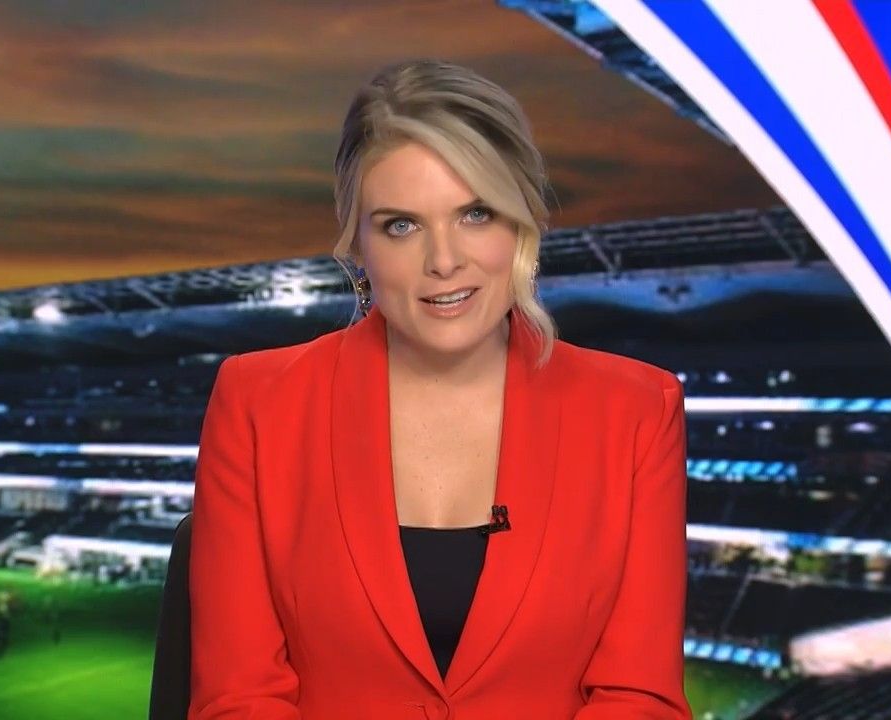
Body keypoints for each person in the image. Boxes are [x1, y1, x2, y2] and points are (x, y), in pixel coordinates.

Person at [188, 58, 690, 719]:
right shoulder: (256, 401)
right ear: (358, 245)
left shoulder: (638, 409)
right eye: (402, 225)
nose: (445, 260)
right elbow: (239, 698)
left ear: (521, 223)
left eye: (476, 213)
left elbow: (639, 697)